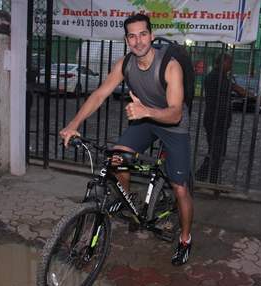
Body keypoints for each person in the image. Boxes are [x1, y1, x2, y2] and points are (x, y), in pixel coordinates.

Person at [59, 14, 194, 266]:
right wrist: (72, 125)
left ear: (151, 36)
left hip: (173, 125)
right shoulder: (125, 64)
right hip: (145, 119)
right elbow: (99, 94)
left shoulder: (170, 65)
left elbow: (175, 112)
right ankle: (128, 200)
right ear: (126, 40)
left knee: (180, 188)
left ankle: (185, 239)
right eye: (132, 36)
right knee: (117, 156)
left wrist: (146, 112)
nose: (138, 40)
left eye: (143, 34)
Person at [196, 54, 248, 183]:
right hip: (215, 121)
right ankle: (208, 179)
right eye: (229, 63)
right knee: (217, 153)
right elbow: (235, 89)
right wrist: (241, 90)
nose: (231, 66)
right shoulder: (215, 77)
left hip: (219, 121)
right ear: (222, 63)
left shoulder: (221, 77)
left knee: (215, 152)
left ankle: (205, 178)